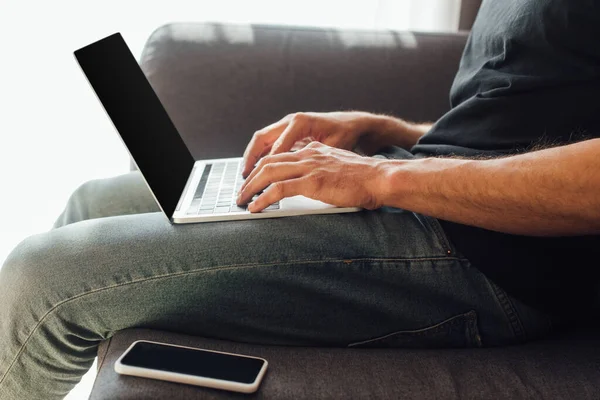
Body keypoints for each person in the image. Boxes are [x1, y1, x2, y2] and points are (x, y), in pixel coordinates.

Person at [1, 0, 599, 398]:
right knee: (93, 200)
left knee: (44, 278)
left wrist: (383, 179)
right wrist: (386, 133)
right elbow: (520, 124)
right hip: (427, 187)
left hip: (495, 257)